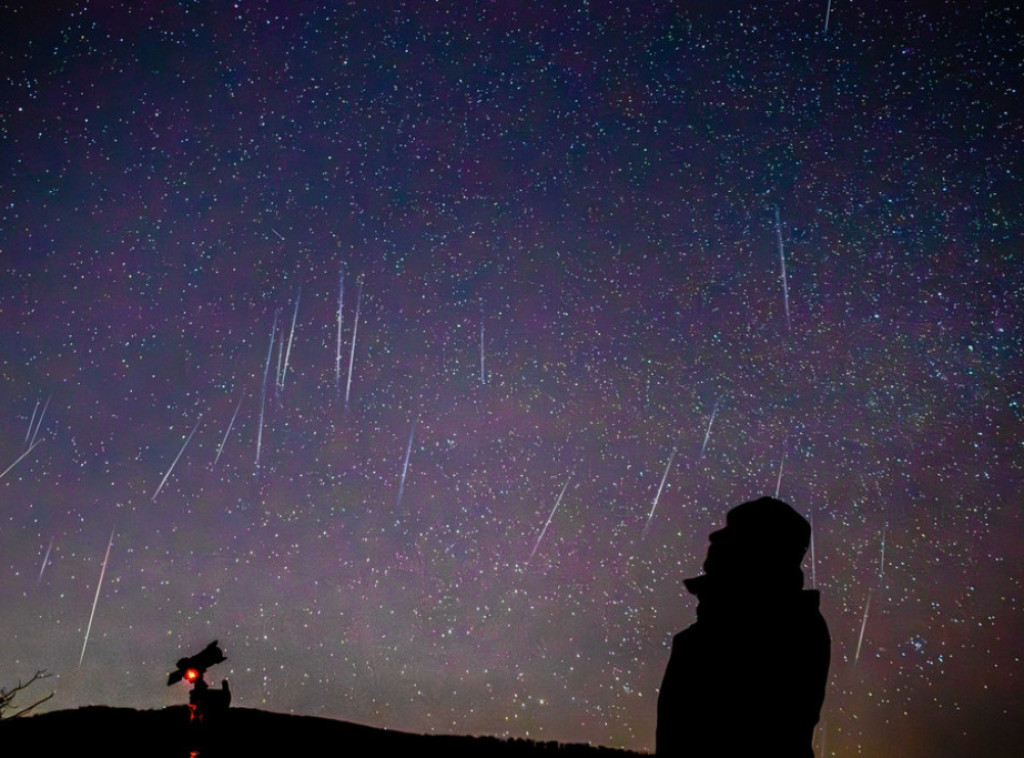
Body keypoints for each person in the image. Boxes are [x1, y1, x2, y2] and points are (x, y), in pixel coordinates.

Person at [656, 497, 830, 757]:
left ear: (763, 550)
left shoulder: (785, 631)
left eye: (735, 532)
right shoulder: (715, 628)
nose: (715, 537)